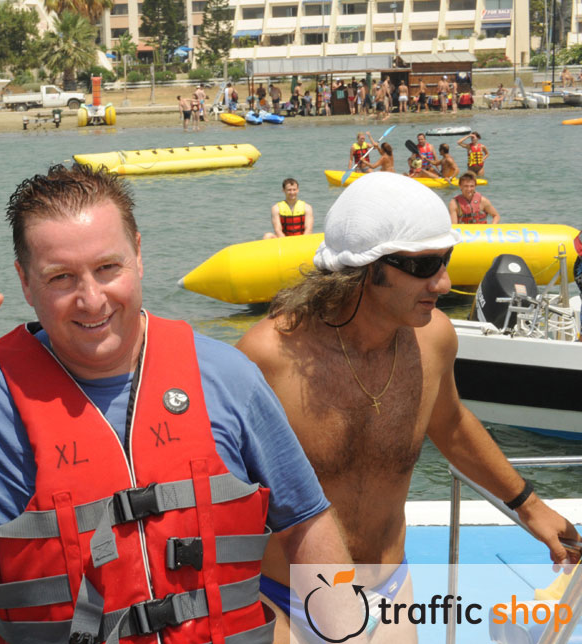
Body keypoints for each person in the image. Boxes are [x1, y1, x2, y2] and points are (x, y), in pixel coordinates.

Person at [0, 164, 358, 644]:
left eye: (107, 268)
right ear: (24, 281)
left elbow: (307, 523)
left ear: (139, 254)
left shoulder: (227, 376)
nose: (91, 299)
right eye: (61, 277)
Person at [236, 172, 581, 640]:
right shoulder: (269, 357)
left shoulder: (434, 339)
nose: (443, 282)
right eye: (424, 266)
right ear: (364, 270)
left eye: (446, 260)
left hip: (390, 588)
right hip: (286, 598)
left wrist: (528, 505)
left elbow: (452, 425)